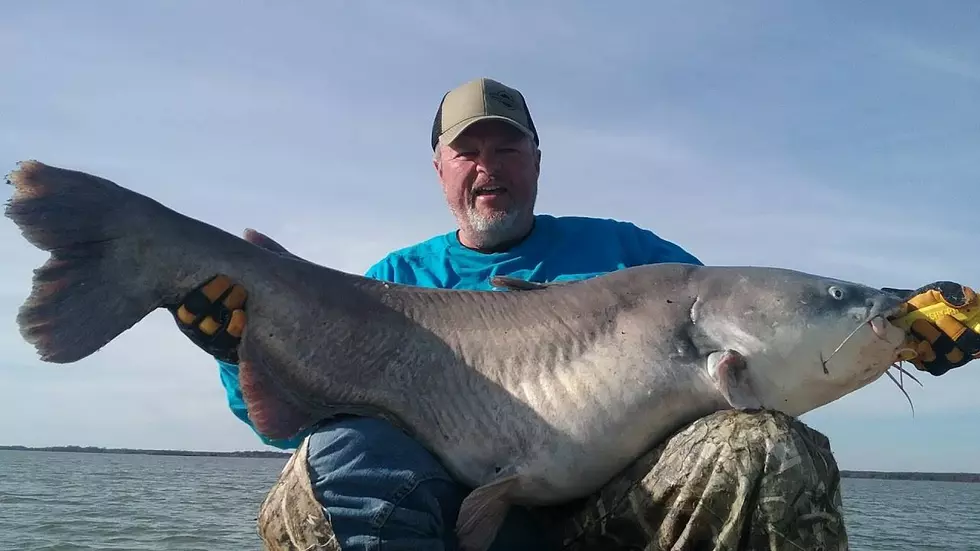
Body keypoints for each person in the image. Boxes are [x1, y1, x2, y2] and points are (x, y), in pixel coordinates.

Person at [169, 77, 980, 551]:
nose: (489, 168)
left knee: (765, 446)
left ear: (536, 161)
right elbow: (281, 423)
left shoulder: (634, 257)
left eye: (507, 148)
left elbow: (769, 355)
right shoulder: (395, 281)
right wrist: (232, 343)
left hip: (607, 516)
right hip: (441, 521)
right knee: (315, 474)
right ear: (441, 167)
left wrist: (903, 330)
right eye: (470, 151)